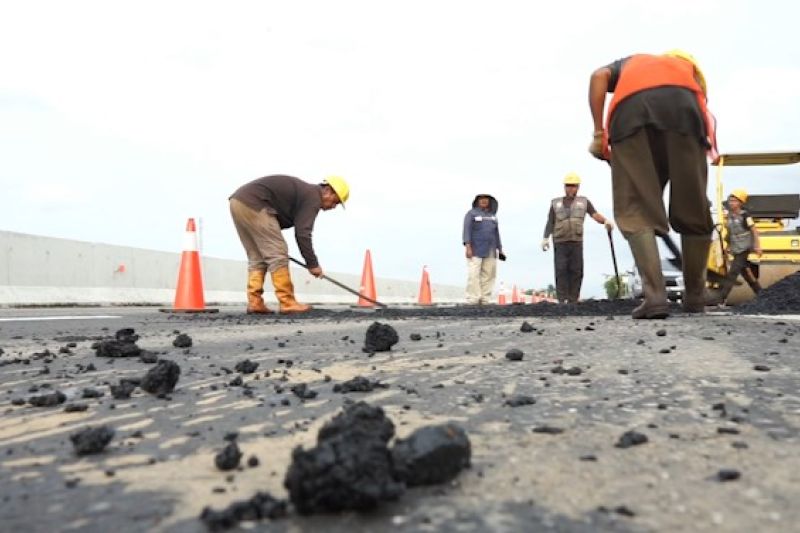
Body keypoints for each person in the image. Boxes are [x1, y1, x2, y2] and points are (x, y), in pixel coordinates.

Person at [588, 50, 716, 319]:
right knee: (692, 202)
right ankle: (695, 296)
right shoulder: (685, 75)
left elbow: (598, 76)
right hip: (686, 112)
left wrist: (599, 133)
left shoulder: (631, 63)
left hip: (632, 112)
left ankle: (655, 297)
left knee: (634, 205)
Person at [229, 175, 349, 314]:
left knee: (257, 257)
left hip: (238, 202)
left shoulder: (306, 193)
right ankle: (287, 302)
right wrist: (313, 264)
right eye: (335, 202)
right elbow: (303, 233)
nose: (333, 207)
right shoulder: (313, 197)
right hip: (256, 202)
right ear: (328, 191)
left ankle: (255, 302)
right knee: (278, 254)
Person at [541, 173, 614, 303]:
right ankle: (562, 299)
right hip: (560, 241)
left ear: (578, 187)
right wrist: (545, 238)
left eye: (573, 186)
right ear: (564, 187)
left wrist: (605, 221)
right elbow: (550, 221)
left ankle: (573, 298)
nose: (571, 189)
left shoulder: (584, 202)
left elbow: (594, 214)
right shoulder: (555, 203)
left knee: (577, 270)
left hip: (576, 241)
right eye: (568, 186)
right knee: (561, 269)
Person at [709, 189, 762, 304]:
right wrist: (727, 245)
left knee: (732, 273)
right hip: (736, 247)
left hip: (744, 248)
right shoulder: (729, 217)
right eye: (730, 200)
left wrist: (757, 246)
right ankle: (762, 294)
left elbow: (754, 230)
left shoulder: (745, 216)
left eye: (734, 201)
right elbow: (729, 232)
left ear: (740, 203)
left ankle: (721, 298)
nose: (731, 203)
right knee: (747, 274)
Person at [463, 194, 505, 304]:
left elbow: (496, 234)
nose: (484, 201)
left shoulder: (492, 216)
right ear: (477, 201)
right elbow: (466, 230)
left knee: (489, 274)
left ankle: (485, 298)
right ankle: (473, 298)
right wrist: (468, 247)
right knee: (474, 274)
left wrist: (500, 249)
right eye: (481, 199)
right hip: (475, 249)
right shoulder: (471, 214)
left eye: (486, 199)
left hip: (491, 249)